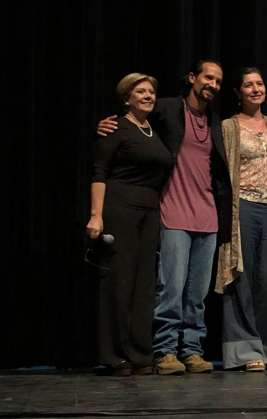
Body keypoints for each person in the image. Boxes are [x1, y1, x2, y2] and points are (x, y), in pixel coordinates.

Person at [97, 60, 232, 375]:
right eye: (208, 77)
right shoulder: (168, 109)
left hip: (208, 215)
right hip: (173, 210)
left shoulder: (214, 120)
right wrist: (105, 124)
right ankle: (165, 350)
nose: (212, 84)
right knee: (170, 288)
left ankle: (193, 350)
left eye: (218, 81)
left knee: (197, 294)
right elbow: (133, 119)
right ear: (192, 78)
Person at [88, 73, 173, 376]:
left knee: (143, 285)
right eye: (141, 92)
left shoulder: (154, 129)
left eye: (151, 91)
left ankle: (139, 353)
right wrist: (96, 214)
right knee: (119, 282)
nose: (148, 96)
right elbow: (99, 172)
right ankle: (114, 355)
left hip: (149, 211)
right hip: (119, 207)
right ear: (127, 98)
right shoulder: (115, 128)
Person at [216, 67, 267, 372]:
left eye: (260, 83)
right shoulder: (228, 127)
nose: (255, 89)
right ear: (238, 92)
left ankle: (264, 347)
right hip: (242, 208)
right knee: (242, 278)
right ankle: (244, 353)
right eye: (248, 85)